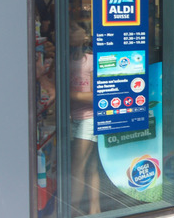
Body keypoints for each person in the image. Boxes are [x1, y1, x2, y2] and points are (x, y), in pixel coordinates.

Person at [69, 24, 100, 215]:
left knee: (77, 167)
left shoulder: (90, 61)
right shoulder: (63, 61)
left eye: (75, 30)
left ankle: (70, 210)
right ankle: (95, 209)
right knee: (91, 166)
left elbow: (95, 96)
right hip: (75, 118)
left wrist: (69, 94)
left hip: (89, 119)